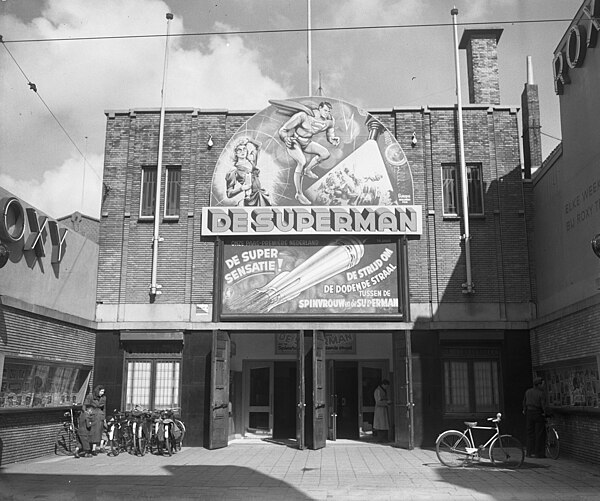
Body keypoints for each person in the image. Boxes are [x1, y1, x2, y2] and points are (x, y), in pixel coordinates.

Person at [277, 101, 340, 205]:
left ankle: (307, 170)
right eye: (325, 110)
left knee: (325, 154)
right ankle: (299, 194)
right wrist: (285, 138)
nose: (326, 113)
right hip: (295, 141)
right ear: (319, 108)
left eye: (328, 111)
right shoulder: (303, 116)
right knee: (301, 161)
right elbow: (283, 130)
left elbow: (330, 135)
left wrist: (332, 139)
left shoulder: (330, 121)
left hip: (307, 143)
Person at [225, 137, 270, 206]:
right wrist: (241, 188)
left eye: (244, 149)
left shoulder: (252, 162)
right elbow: (229, 194)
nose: (242, 151)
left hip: (261, 194)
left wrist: (249, 140)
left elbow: (259, 145)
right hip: (250, 198)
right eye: (239, 150)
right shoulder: (234, 170)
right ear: (235, 153)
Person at [523, 376, 548, 458]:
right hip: (538, 413)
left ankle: (529, 452)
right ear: (539, 385)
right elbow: (543, 405)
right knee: (539, 433)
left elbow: (524, 402)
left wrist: (524, 410)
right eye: (542, 384)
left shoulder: (528, 392)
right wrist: (545, 413)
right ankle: (539, 453)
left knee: (530, 433)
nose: (543, 386)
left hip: (529, 413)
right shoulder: (541, 393)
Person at [85, 385, 106, 456]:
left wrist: (104, 417)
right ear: (98, 391)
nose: (102, 393)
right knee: (90, 432)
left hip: (99, 417)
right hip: (92, 416)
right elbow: (86, 405)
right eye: (101, 391)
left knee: (97, 433)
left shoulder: (103, 398)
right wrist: (88, 414)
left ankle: (94, 449)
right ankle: (88, 448)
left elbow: (104, 408)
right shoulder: (90, 397)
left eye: (103, 392)